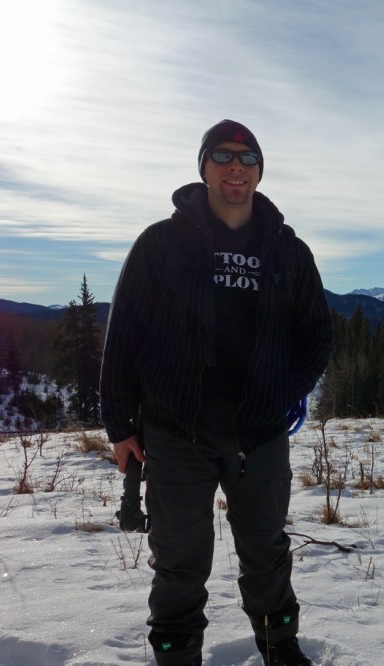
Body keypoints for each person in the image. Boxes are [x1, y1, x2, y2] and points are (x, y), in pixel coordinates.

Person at [100, 119, 335, 666]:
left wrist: (280, 394)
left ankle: (282, 651)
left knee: (267, 552)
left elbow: (318, 335)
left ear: (259, 170)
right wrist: (120, 429)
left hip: (259, 431)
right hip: (176, 427)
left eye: (247, 157)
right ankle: (177, 657)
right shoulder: (162, 243)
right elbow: (124, 335)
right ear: (203, 166)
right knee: (179, 561)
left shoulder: (287, 250)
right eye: (224, 155)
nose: (236, 166)